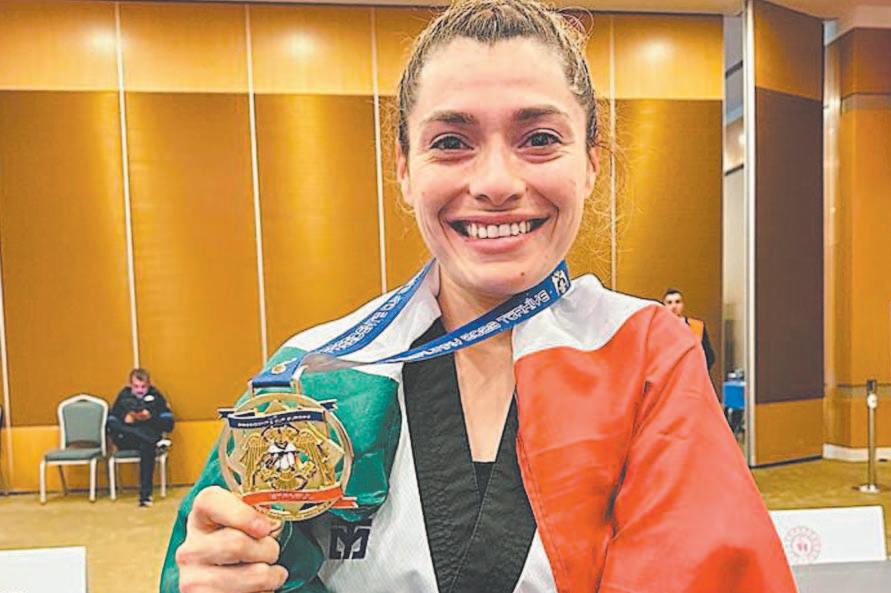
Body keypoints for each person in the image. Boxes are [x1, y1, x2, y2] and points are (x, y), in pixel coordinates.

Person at [161, 1, 796, 591]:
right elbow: (227, 558)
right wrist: (221, 573)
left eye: (539, 138)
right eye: (451, 142)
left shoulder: (647, 353)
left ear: (590, 163)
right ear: (404, 169)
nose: (496, 182)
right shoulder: (317, 372)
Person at [107, 368, 173, 507]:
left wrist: (148, 417)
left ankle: (145, 495)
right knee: (147, 438)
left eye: (143, 387)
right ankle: (152, 439)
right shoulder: (123, 396)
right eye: (136, 386)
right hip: (127, 438)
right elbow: (112, 423)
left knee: (147, 445)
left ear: (148, 385)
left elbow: (168, 423)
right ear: (130, 385)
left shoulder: (156, 396)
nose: (140, 390)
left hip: (146, 440)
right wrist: (128, 419)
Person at [663, 288, 717, 371]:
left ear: (682, 305)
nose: (674, 306)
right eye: (669, 303)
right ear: (664, 306)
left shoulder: (697, 326)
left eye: (677, 302)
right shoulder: (658, 329)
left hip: (692, 373)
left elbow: (709, 356)